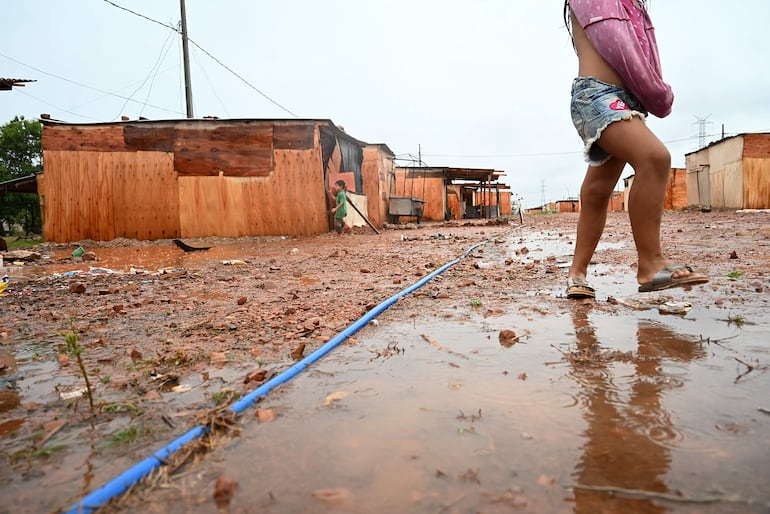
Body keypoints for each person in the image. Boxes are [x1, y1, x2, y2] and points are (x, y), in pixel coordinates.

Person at [563, 0, 709, 299]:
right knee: (654, 158)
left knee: (597, 190)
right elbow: (620, 49)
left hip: (625, 101)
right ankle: (650, 265)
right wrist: (658, 93)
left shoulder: (635, 7)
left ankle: (576, 274)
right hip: (597, 96)